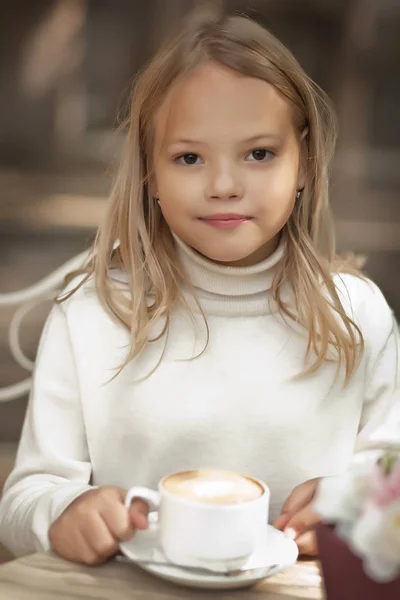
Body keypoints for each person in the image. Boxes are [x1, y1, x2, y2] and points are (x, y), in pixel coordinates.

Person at [0, 6, 398, 565]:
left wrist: (352, 511)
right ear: (149, 172)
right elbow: (24, 500)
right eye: (189, 157)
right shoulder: (92, 314)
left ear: (306, 161)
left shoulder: (358, 315)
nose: (224, 185)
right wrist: (63, 513)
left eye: (259, 154)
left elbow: (391, 486)